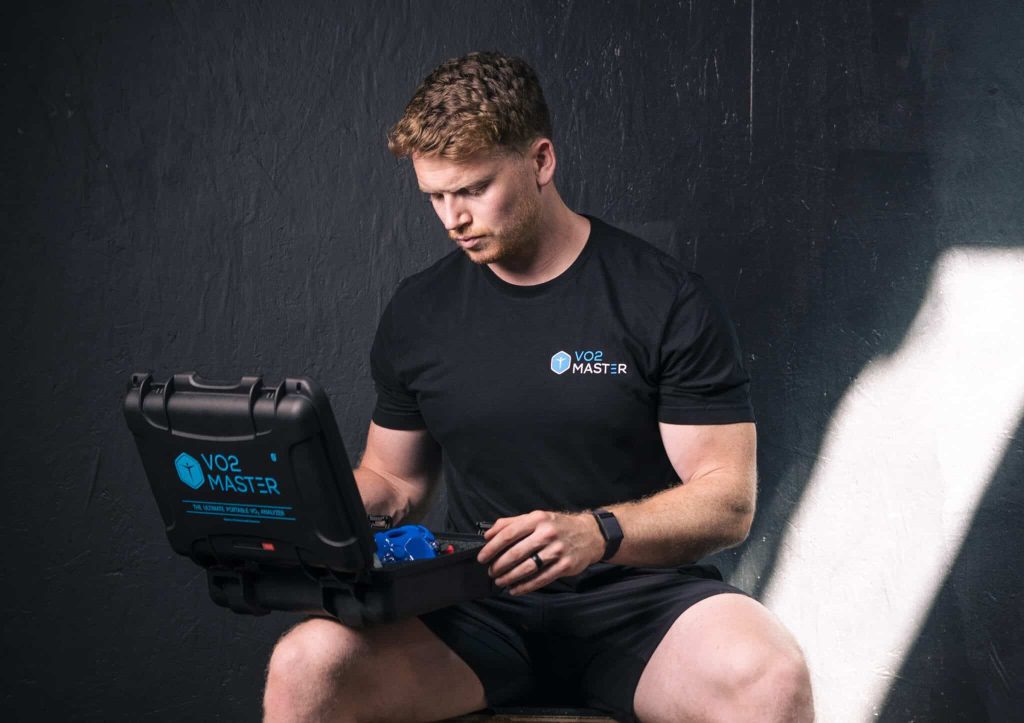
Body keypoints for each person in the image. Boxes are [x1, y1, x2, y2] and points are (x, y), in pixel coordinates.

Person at [263, 51, 813, 723]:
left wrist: (597, 532)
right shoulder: (420, 311)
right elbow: (394, 479)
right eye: (435, 195)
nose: (451, 217)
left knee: (771, 676)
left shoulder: (662, 299)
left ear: (542, 161)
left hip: (640, 603)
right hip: (477, 603)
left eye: (472, 189)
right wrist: (294, 512)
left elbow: (728, 501)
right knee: (306, 665)